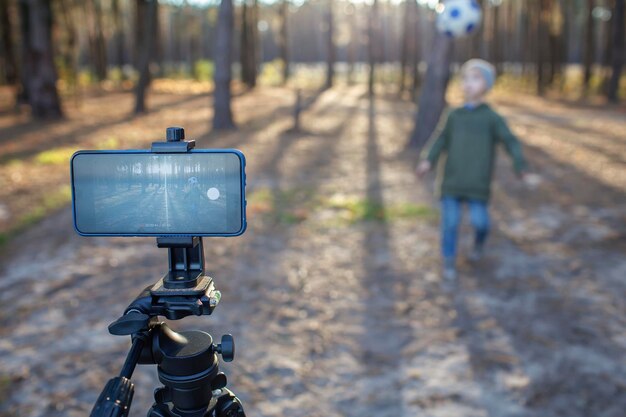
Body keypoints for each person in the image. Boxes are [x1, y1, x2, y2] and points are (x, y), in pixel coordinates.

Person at [416, 59, 530, 280]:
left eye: (476, 78)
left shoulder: (491, 118)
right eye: (466, 78)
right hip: (452, 182)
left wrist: (520, 165)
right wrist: (427, 160)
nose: (469, 83)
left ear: (486, 85)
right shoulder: (453, 115)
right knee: (450, 223)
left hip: (477, 184)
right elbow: (440, 140)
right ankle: (449, 260)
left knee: (481, 223)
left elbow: (510, 141)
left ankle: (478, 245)